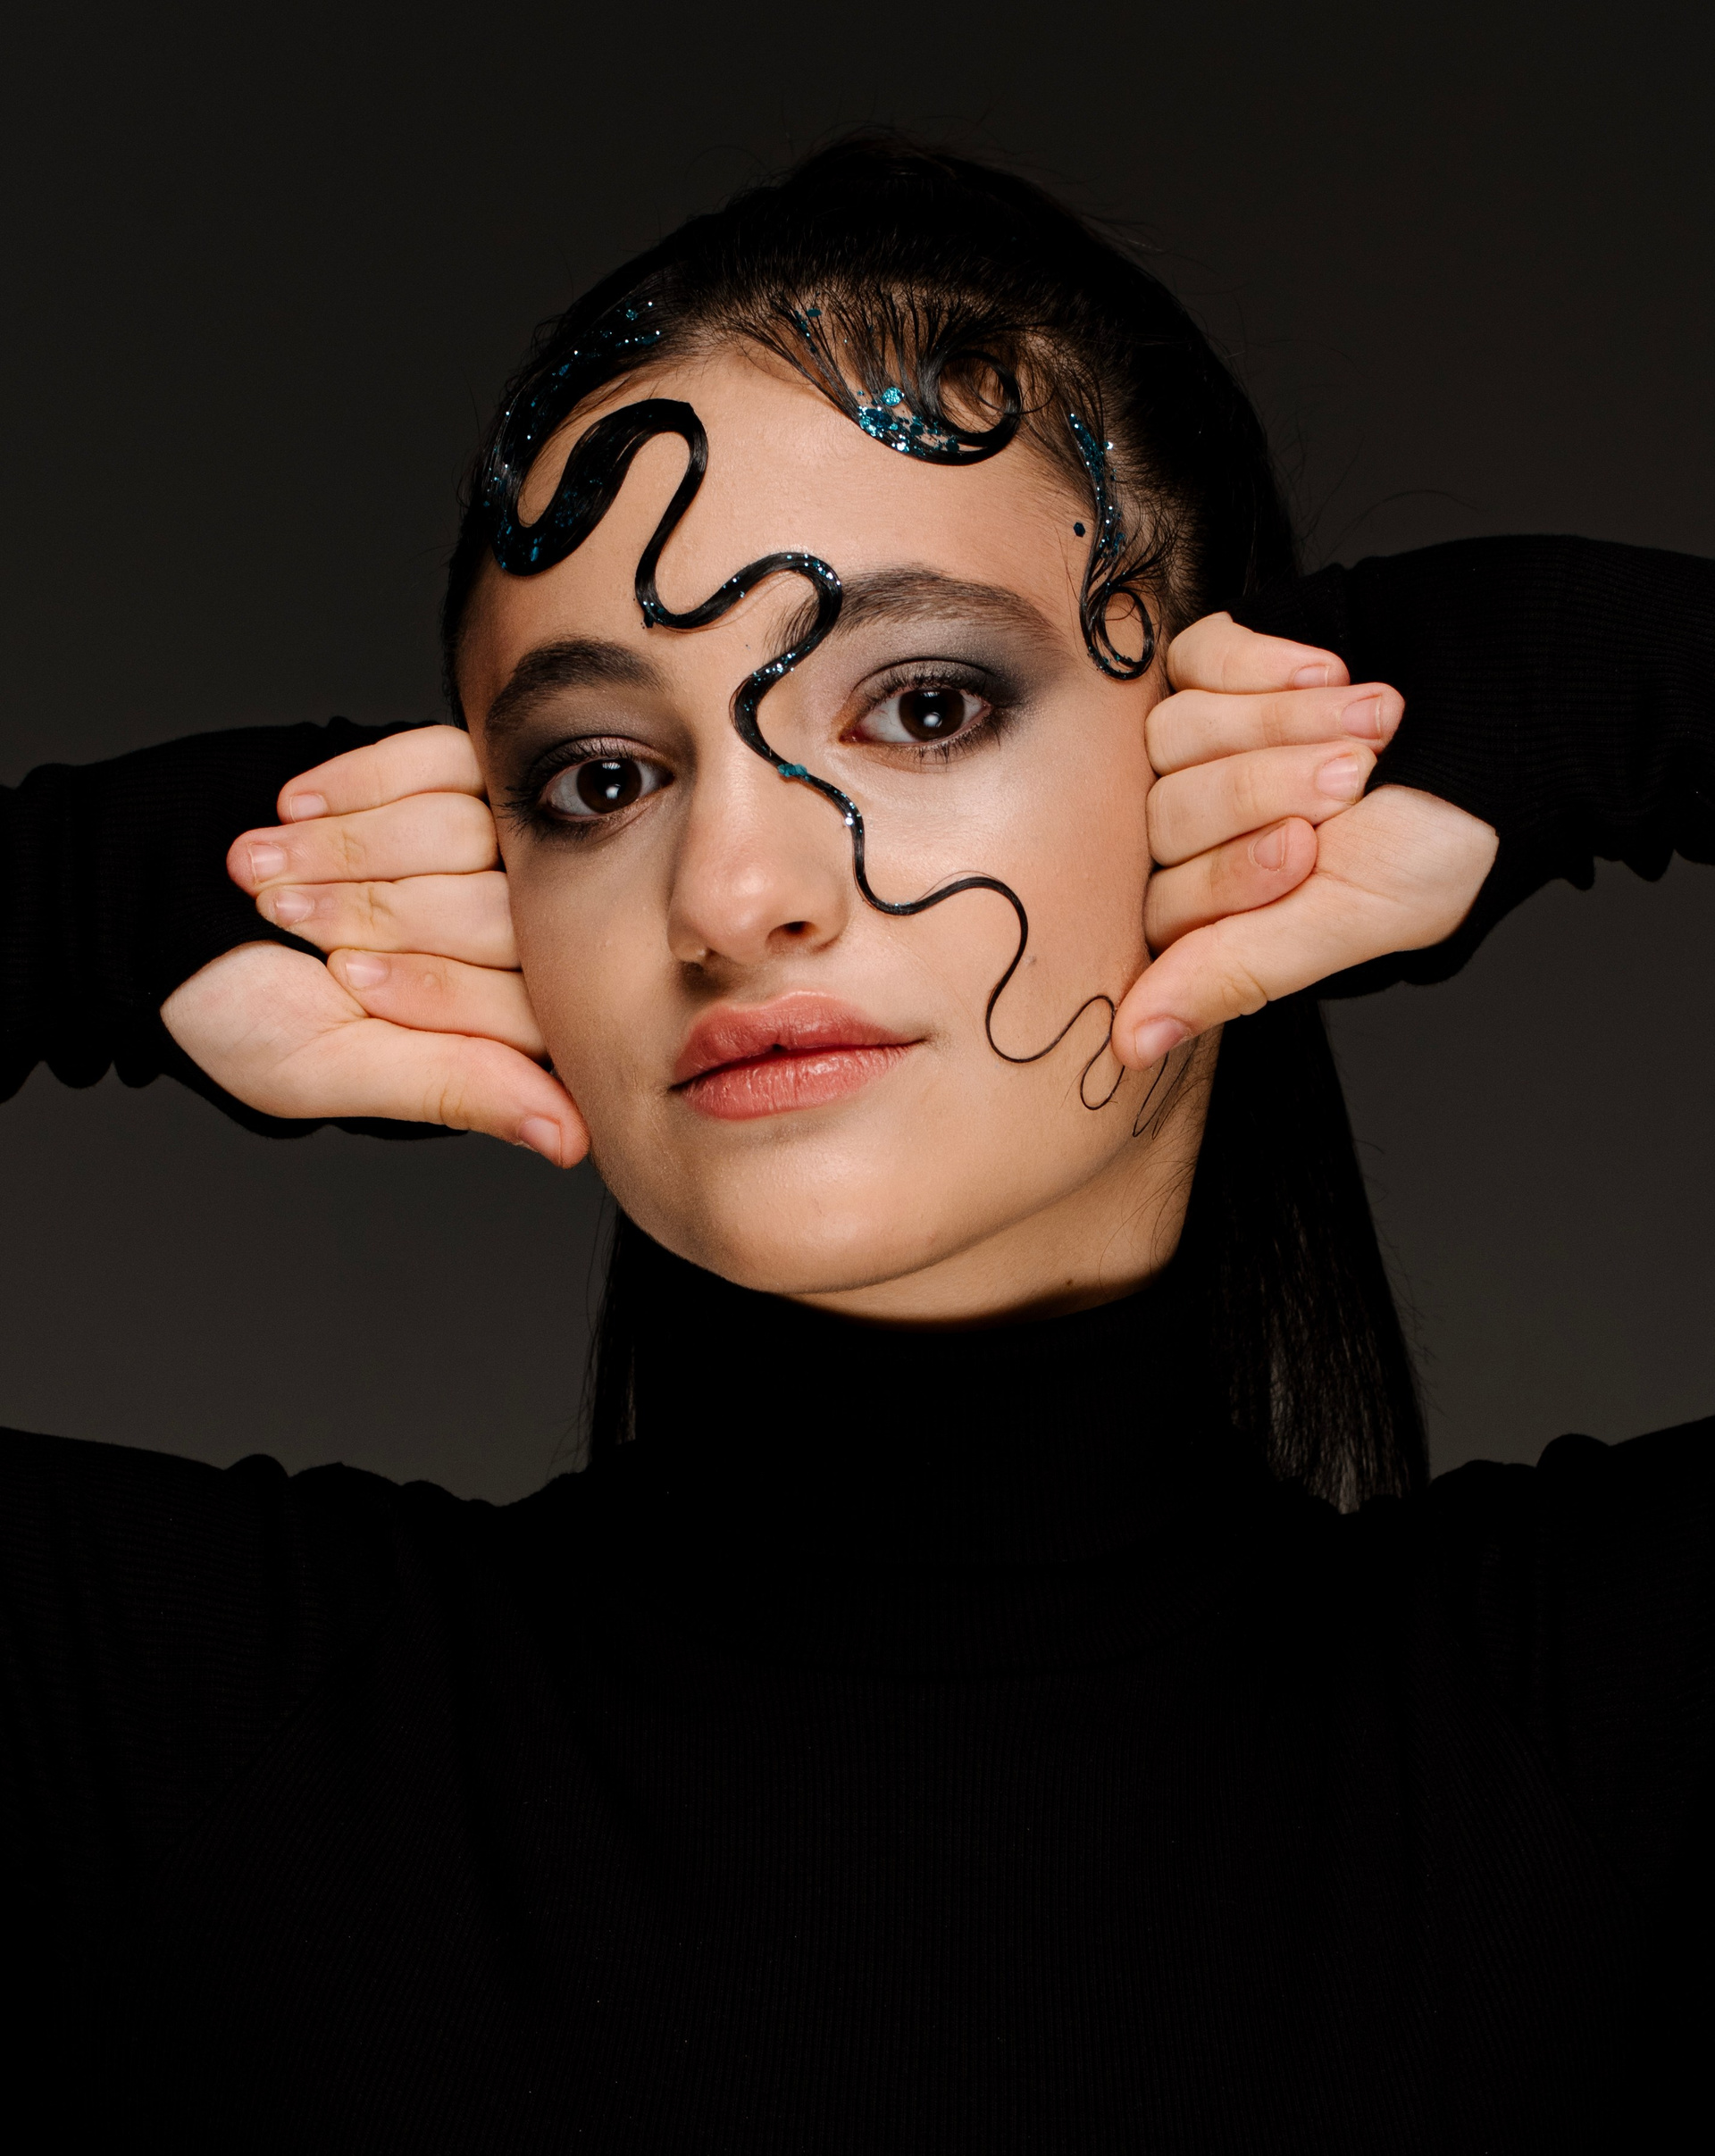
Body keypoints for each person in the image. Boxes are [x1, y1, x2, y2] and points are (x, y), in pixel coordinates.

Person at [2, 138, 1709, 2152]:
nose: (734, 894)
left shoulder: (1584, 1738)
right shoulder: (208, 1724)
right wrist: (93, 899)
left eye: (923, 705)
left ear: (1227, 750)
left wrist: (1587, 687)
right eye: (600, 776)